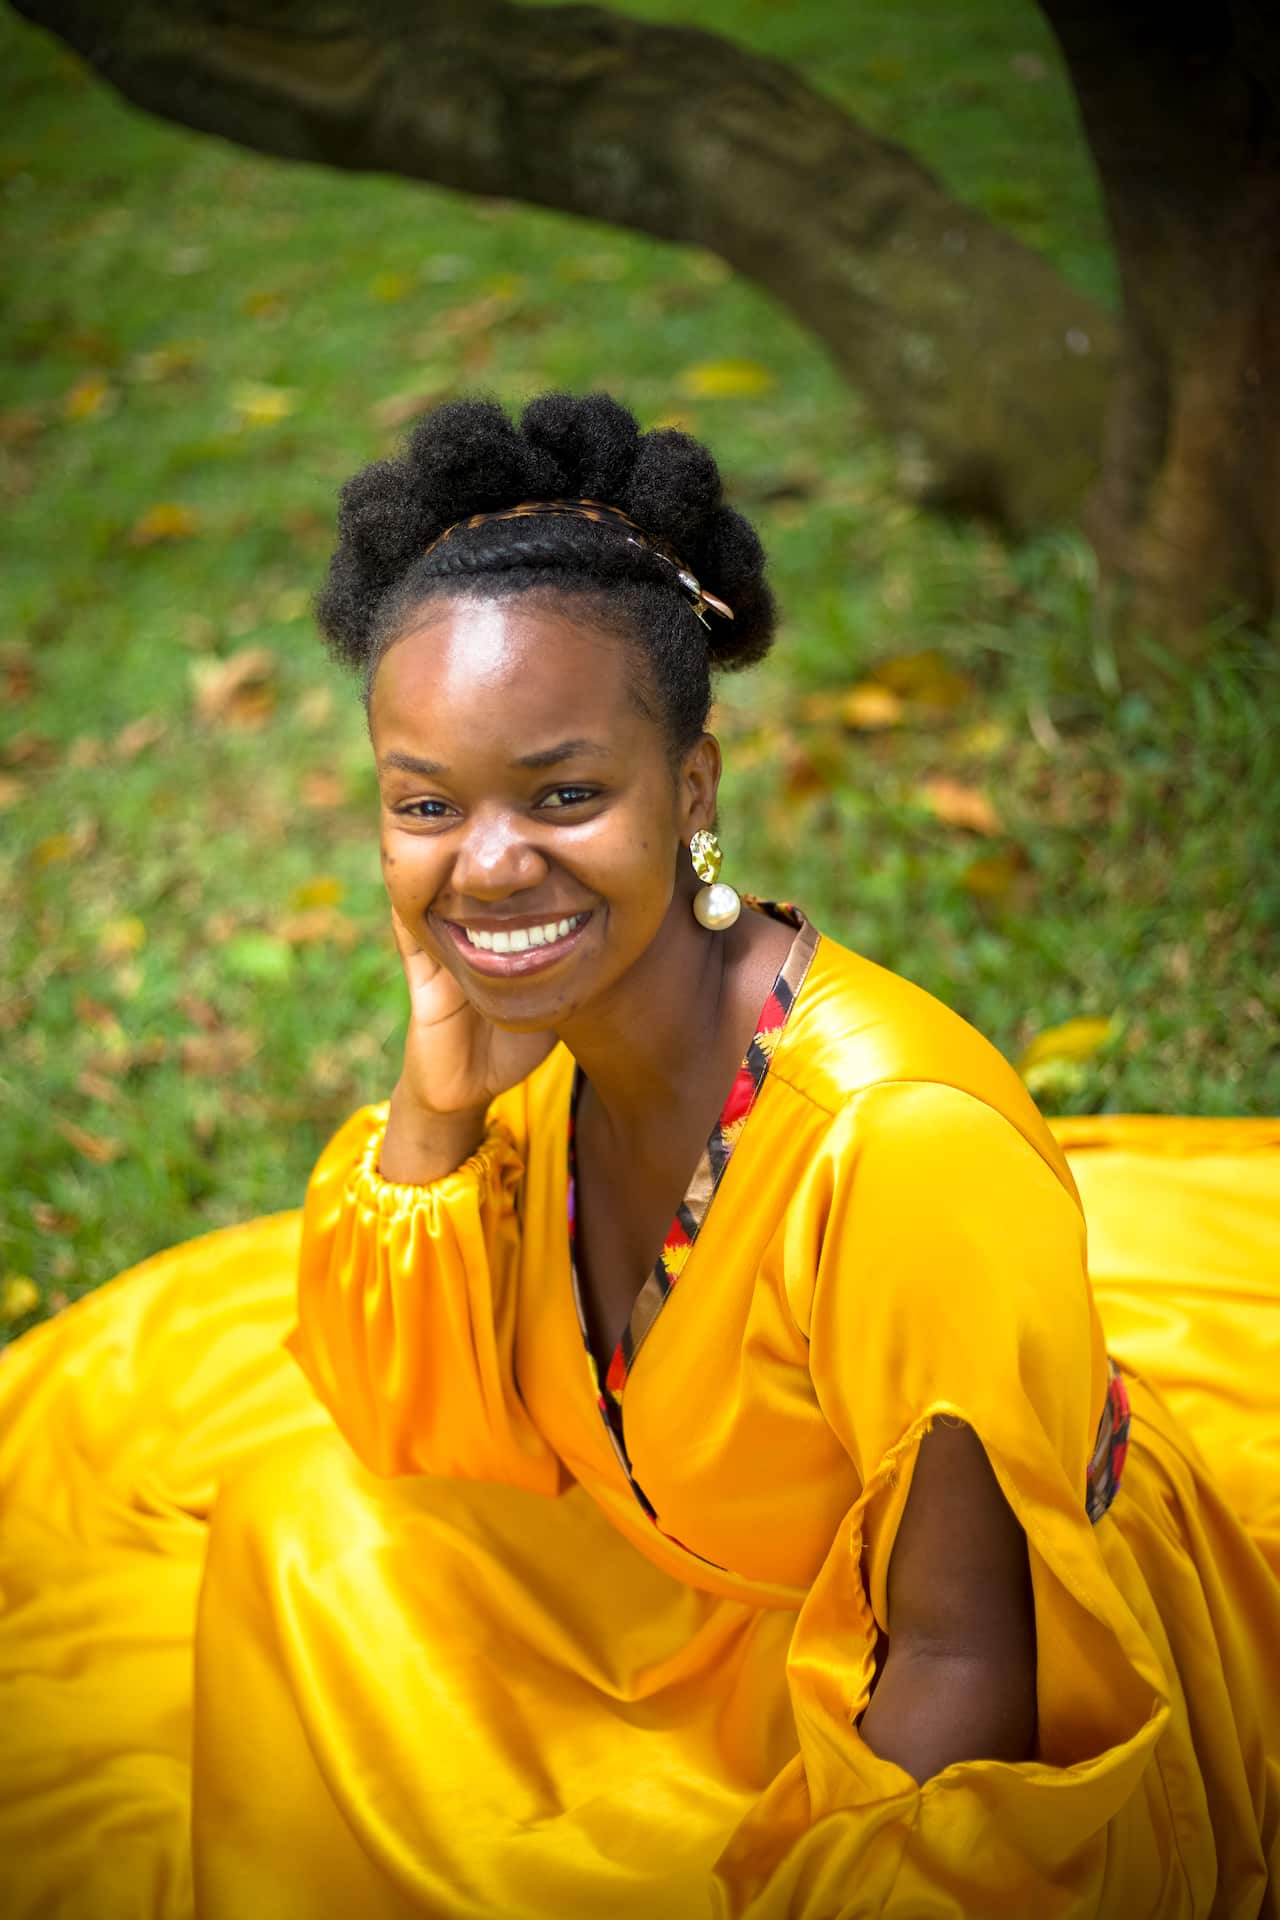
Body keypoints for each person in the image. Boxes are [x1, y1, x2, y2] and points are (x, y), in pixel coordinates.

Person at [1, 392, 1277, 1920]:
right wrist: (437, 1102)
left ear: (691, 793)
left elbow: (968, 1680)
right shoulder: (555, 1061)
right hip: (713, 1619)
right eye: (426, 804)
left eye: (564, 794)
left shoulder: (897, 1150)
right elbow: (399, 1410)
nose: (486, 865)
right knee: (302, 1531)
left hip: (920, 1717)